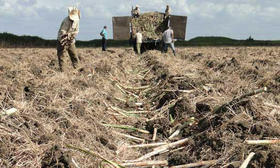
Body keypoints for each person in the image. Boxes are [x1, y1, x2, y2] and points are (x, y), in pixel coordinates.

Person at [57, 7, 80, 72]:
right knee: (62, 57)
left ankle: (78, 70)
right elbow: (62, 32)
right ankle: (63, 73)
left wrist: (71, 36)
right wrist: (66, 37)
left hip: (71, 41)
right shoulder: (65, 21)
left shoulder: (77, 20)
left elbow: (77, 30)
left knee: (74, 55)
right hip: (62, 40)